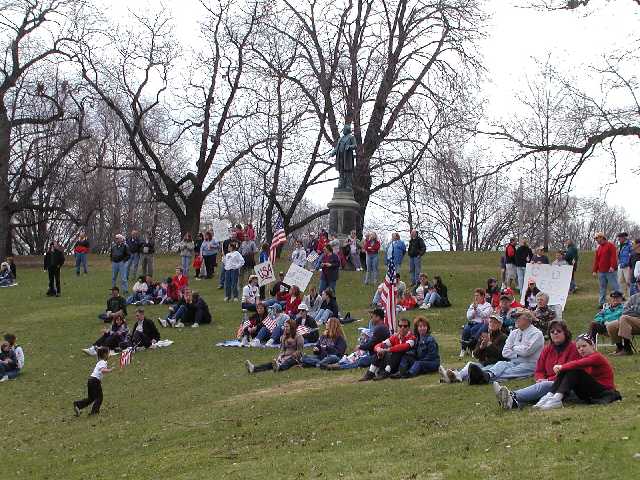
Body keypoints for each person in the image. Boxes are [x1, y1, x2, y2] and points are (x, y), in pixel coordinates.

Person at [495, 320, 580, 409]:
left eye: (558, 331)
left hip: (565, 385)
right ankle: (512, 402)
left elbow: (569, 372)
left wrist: (546, 380)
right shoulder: (547, 349)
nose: (555, 333)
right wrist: (540, 379)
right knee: (542, 387)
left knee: (544, 386)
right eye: (552, 331)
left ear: (565, 333)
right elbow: (539, 370)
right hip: (548, 382)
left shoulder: (573, 348)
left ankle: (512, 395)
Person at [531, 333, 621, 410]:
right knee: (568, 369)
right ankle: (550, 395)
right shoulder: (584, 358)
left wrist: (561, 367)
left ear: (592, 346)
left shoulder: (596, 357)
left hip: (604, 391)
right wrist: (562, 369)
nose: (581, 349)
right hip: (591, 391)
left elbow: (578, 364)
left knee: (574, 370)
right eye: (578, 348)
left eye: (584, 346)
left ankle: (557, 398)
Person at [465, 309, 544, 385]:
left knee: (511, 371)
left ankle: (484, 377)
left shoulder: (536, 334)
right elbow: (505, 352)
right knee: (501, 364)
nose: (516, 320)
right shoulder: (514, 332)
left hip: (529, 364)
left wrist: (513, 347)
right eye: (515, 318)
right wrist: (518, 351)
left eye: (518, 317)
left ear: (528, 320)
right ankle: (485, 375)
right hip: (513, 361)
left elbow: (526, 352)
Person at [440, 315, 507, 383]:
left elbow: (502, 355)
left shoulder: (503, 337)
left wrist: (490, 346)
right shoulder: (485, 336)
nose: (492, 324)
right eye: (490, 322)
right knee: (470, 364)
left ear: (500, 325)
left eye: (495, 322)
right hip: (483, 363)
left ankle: (453, 376)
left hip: (495, 365)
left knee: (476, 371)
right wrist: (481, 348)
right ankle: (456, 376)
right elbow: (475, 354)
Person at [73, 346, 111, 416]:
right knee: (99, 397)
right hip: (95, 381)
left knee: (91, 398)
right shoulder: (103, 362)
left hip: (91, 380)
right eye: (108, 353)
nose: (109, 355)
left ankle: (78, 405)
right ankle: (94, 412)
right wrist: (110, 370)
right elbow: (103, 370)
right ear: (105, 354)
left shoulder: (99, 362)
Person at [605, 279, 640, 355]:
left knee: (624, 318)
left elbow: (629, 312)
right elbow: (624, 310)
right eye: (639, 283)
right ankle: (620, 348)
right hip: (632, 321)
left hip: (634, 321)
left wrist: (632, 309)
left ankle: (627, 349)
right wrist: (634, 310)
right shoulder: (633, 297)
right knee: (611, 325)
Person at [459, 288, 493, 358]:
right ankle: (463, 349)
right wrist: (474, 311)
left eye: (478, 295)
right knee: (466, 330)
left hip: (480, 323)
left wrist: (477, 309)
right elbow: (468, 316)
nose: (476, 297)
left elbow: (484, 315)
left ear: (483, 296)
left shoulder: (488, 306)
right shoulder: (472, 305)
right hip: (471, 322)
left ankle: (473, 349)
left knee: (473, 330)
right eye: (475, 296)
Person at [593, 232, 619, 308]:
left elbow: (613, 257)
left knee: (615, 287)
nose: (596, 240)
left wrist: (612, 266)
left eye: (597, 238)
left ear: (602, 237)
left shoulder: (610, 245)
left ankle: (618, 301)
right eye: (596, 239)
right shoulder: (598, 248)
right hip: (601, 271)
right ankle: (602, 303)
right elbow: (597, 260)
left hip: (610, 271)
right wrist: (594, 270)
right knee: (602, 288)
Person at [616, 232, 633, 296]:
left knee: (628, 282)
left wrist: (628, 263)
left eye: (619, 238)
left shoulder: (630, 245)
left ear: (624, 237)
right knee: (620, 282)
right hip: (621, 265)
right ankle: (621, 297)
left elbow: (632, 255)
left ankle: (630, 297)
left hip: (627, 266)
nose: (618, 239)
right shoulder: (620, 245)